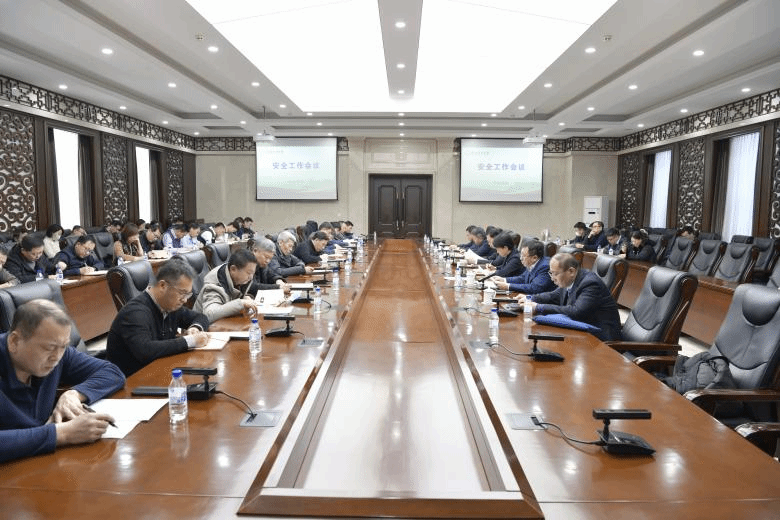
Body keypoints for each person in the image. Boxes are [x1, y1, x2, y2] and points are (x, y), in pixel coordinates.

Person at [0, 299, 125, 463]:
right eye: (48, 348)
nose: (57, 357)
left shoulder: (58, 350)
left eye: (64, 346)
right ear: (14, 341)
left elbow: (112, 373)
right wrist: (63, 433)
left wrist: (74, 394)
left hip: (42, 459)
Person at [106, 258, 210, 377]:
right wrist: (190, 341)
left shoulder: (170, 305)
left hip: (160, 369)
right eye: (182, 293)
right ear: (162, 285)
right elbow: (145, 351)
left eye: (188, 294)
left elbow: (200, 317)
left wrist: (195, 328)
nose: (185, 300)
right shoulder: (135, 312)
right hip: (131, 379)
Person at [519, 252, 621, 342]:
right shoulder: (569, 279)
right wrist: (530, 298)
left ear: (571, 271)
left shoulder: (590, 283)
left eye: (555, 274)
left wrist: (538, 307)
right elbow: (553, 295)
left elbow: (576, 311)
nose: (552, 279)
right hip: (582, 330)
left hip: (600, 337)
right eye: (551, 273)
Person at [194, 248, 259, 322]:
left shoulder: (237, 278)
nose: (251, 277)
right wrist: (241, 303)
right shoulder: (214, 285)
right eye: (249, 273)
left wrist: (245, 297)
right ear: (233, 269)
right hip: (203, 326)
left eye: (252, 273)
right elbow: (209, 314)